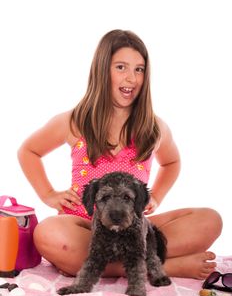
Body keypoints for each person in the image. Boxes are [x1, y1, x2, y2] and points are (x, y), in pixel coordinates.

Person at [17, 29, 222, 280]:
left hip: (134, 230)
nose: (132, 78)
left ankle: (103, 265)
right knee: (48, 233)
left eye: (139, 69)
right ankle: (162, 267)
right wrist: (48, 194)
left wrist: (155, 196)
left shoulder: (154, 127)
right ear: (103, 70)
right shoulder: (74, 121)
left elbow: (172, 161)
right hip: (84, 227)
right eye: (121, 67)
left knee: (210, 220)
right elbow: (29, 151)